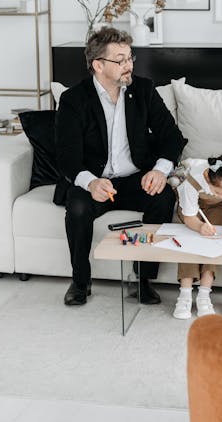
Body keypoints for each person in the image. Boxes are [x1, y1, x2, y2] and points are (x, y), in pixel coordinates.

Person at [54, 27, 185, 306]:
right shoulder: (74, 100)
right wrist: (90, 182)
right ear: (98, 65)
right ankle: (80, 281)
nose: (129, 66)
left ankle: (143, 280)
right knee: (77, 207)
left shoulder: (143, 90)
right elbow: (66, 155)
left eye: (130, 58)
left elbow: (171, 137)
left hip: (135, 177)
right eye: (121, 60)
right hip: (95, 180)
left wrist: (159, 171)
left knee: (162, 198)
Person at [172, 155, 222, 319]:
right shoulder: (193, 178)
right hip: (189, 209)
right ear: (208, 177)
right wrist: (200, 226)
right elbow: (189, 218)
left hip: (217, 209)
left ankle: (204, 294)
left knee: (214, 241)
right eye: (217, 192)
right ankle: (185, 295)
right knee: (190, 239)